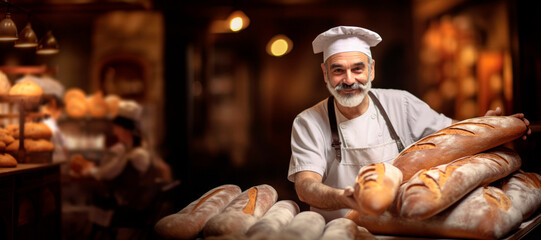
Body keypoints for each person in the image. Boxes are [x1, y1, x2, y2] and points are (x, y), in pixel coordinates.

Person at [287, 26, 531, 222]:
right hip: (337, 231)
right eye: (338, 70)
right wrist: (347, 198)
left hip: (397, 230)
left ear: (371, 70)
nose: (349, 80)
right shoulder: (308, 122)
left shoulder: (401, 103)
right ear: (325, 74)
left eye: (357, 69)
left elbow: (454, 134)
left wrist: (490, 125)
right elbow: (306, 187)